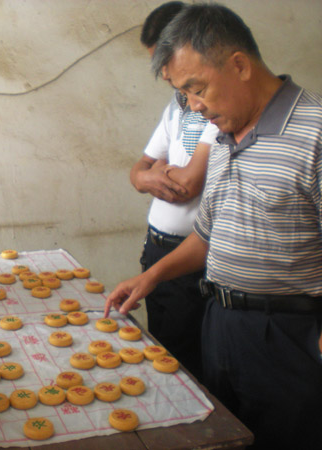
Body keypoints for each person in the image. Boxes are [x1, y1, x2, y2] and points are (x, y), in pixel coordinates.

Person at [105, 3, 322, 449]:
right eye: (184, 94)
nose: (194, 106)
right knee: (222, 438)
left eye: (197, 88)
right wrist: (150, 277)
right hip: (220, 324)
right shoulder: (223, 137)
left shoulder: (314, 133)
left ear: (239, 65)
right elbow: (206, 236)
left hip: (289, 335)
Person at [131, 1, 218, 381]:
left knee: (186, 366)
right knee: (161, 351)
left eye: (163, 62)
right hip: (157, 249)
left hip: (191, 257)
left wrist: (157, 174)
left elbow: (186, 186)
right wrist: (147, 176)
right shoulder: (178, 104)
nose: (162, 74)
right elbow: (137, 172)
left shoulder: (214, 106)